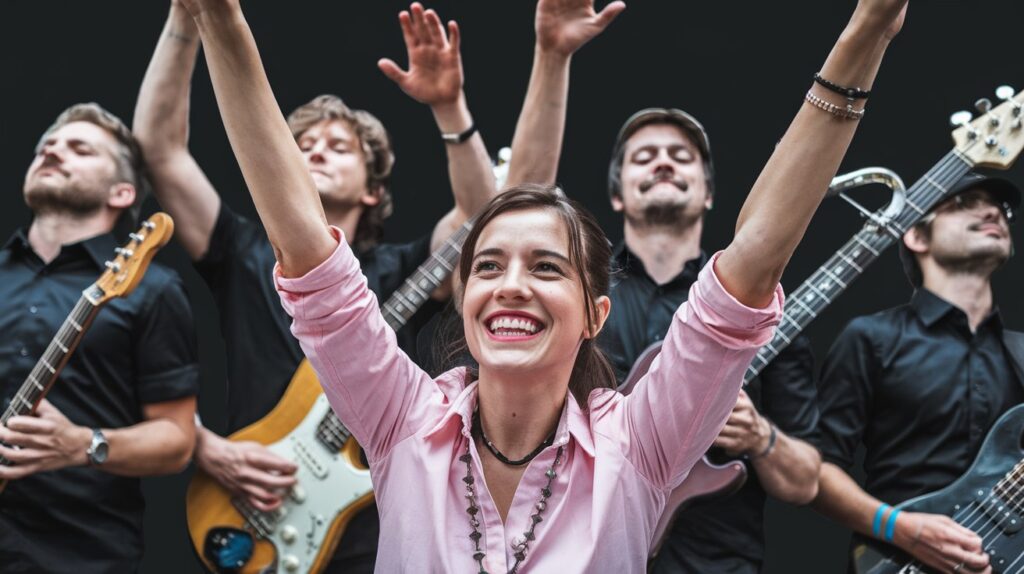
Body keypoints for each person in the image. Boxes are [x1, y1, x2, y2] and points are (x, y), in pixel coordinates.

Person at [178, 0, 908, 569]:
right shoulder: (399, 418)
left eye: (547, 267)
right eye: (487, 266)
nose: (510, 286)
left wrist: (866, 32)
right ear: (462, 305)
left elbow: (755, 258)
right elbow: (301, 238)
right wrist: (221, 16)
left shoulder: (644, 441)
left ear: (595, 314)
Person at [133, 2, 497, 570]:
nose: (316, 151)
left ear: (374, 189)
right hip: (246, 509)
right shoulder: (244, 250)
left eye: (339, 146)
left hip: (369, 535)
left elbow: (481, 217)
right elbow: (159, 150)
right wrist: (186, 17)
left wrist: (452, 112)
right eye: (302, 146)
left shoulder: (404, 269)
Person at [502, 1, 820, 569]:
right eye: (644, 158)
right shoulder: (575, 294)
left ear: (709, 194)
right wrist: (552, 57)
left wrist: (760, 436)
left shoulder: (755, 310)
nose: (664, 164)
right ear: (618, 194)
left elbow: (805, 484)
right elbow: (514, 209)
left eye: (682, 157)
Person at [0, 103, 199, 573]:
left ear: (122, 192)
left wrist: (84, 444)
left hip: (79, 555)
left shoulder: (151, 289)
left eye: (79, 148)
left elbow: (176, 439)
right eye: (46, 144)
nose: (53, 151)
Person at [814, 173, 1021, 574]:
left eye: (1002, 209)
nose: (993, 211)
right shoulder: (871, 338)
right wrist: (901, 528)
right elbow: (814, 471)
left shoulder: (1020, 351)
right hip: (899, 560)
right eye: (965, 203)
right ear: (917, 238)